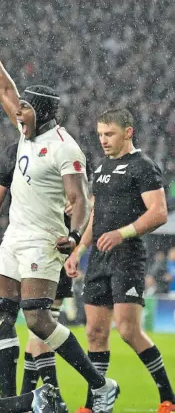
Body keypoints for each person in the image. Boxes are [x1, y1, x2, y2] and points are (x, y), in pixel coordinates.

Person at [0, 23, 118, 412]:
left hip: (44, 239)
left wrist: (72, 234)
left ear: (41, 112)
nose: (18, 111)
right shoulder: (25, 133)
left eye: (25, 108)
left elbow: (79, 198)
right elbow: (3, 89)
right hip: (14, 237)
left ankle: (100, 385)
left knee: (37, 319)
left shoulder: (64, 149)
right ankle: (10, 402)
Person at [64, 108, 173, 413]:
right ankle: (95, 403)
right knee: (95, 334)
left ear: (128, 132)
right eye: (100, 134)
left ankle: (169, 398)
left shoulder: (144, 167)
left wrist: (122, 233)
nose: (103, 140)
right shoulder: (100, 168)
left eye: (109, 134)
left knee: (127, 331)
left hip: (127, 256)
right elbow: (95, 216)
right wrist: (78, 252)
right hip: (98, 257)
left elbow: (159, 213)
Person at [0, 140, 92, 410]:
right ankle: (37, 397)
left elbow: (83, 199)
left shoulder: (65, 151)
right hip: (23, 246)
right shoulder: (14, 152)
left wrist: (76, 240)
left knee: (39, 328)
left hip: (53, 247)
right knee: (25, 327)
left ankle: (50, 395)